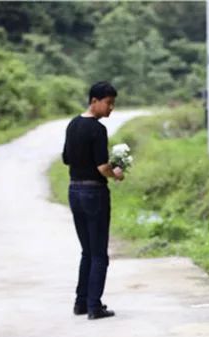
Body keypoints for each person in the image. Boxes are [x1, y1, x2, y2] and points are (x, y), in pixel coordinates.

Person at [62, 81, 125, 320]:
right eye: (108, 103)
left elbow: (66, 158)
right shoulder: (97, 130)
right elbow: (102, 167)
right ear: (94, 101)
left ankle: (81, 302)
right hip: (94, 194)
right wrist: (116, 172)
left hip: (74, 191)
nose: (111, 108)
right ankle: (94, 306)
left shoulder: (73, 124)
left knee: (87, 251)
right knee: (99, 253)